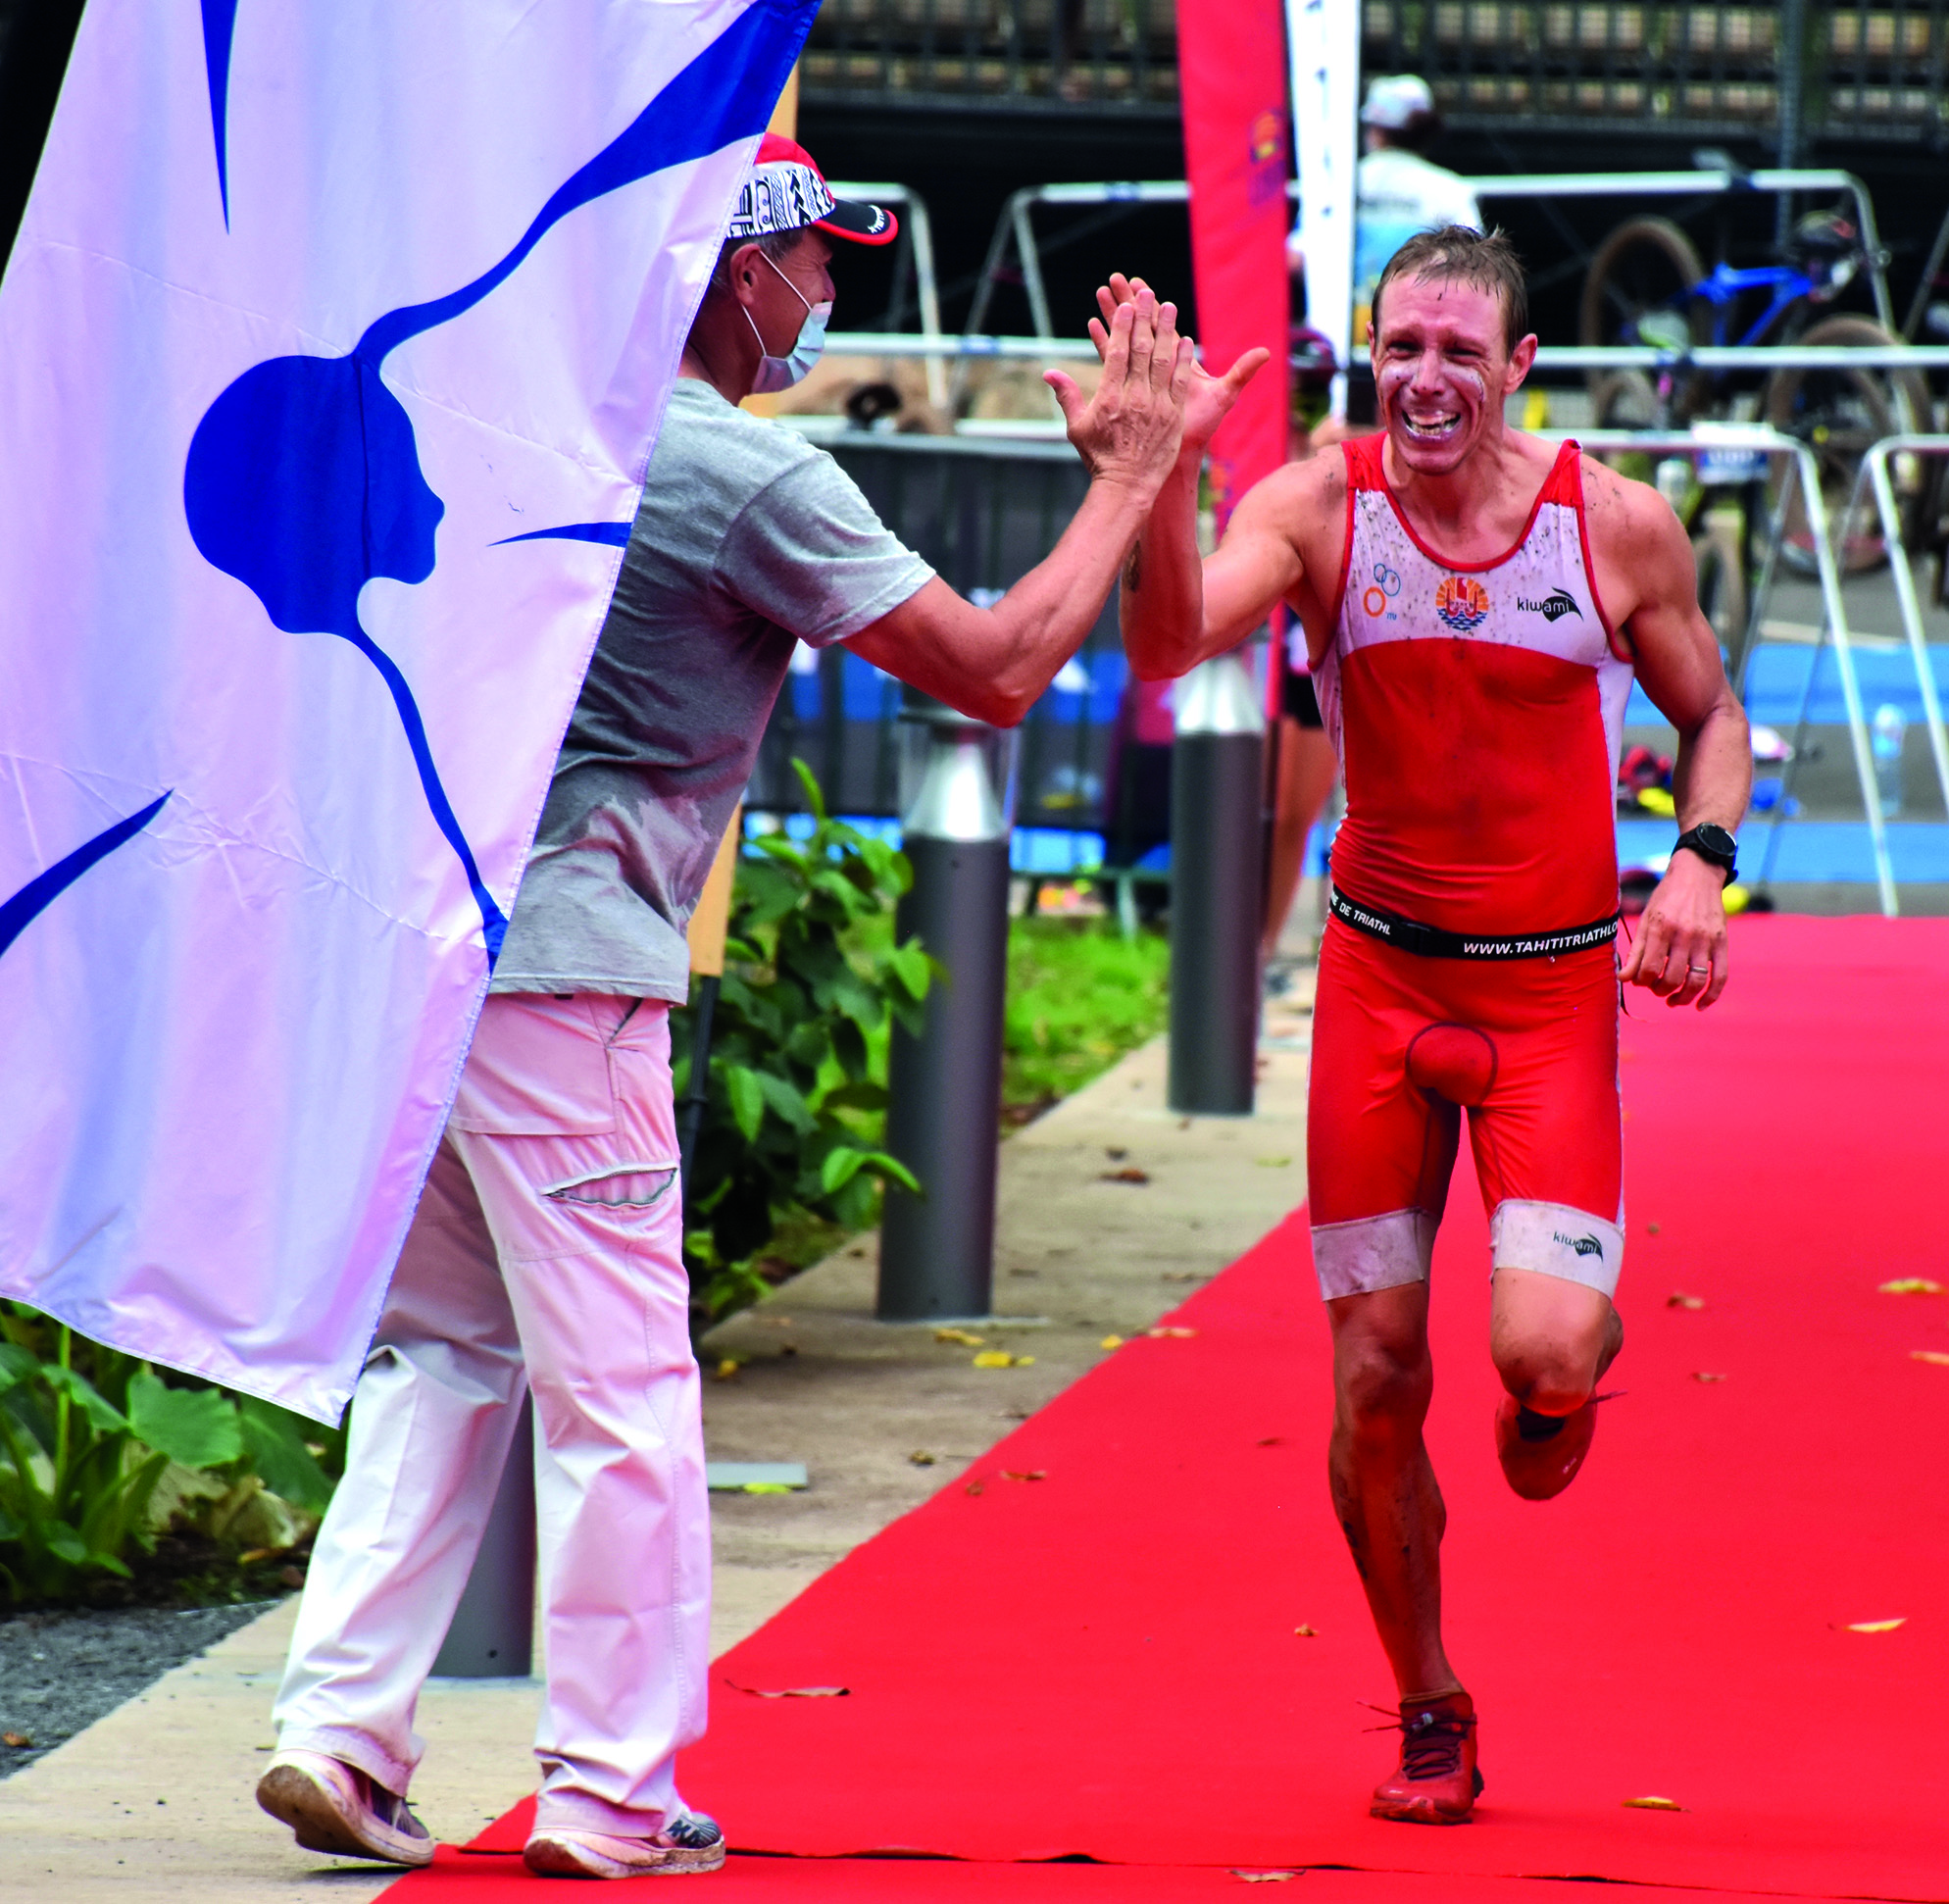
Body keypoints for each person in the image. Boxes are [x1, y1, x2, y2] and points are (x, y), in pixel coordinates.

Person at [257, 134, 1196, 1881]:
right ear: (727, 267)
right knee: (625, 1390)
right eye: (814, 260)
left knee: (447, 1353)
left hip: (425, 960)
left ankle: (339, 1728)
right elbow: (993, 672)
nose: (825, 293)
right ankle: (612, 1792)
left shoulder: (509, 415)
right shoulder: (741, 471)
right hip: (572, 976)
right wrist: (1132, 477)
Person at [1113, 225, 1749, 1827]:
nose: (1426, 379)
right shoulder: (1319, 510)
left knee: (1534, 1361)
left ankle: (1553, 1389)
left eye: (1461, 351)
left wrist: (1697, 862)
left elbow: (1711, 718)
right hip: (1378, 991)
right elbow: (1166, 642)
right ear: (1367, 355)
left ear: (1519, 367)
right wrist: (1152, 486)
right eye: (1401, 347)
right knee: (1374, 1377)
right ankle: (1426, 1701)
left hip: (1546, 1000)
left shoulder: (1611, 526)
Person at [1263, 326, 1348, 970]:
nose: (1302, 401)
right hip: (1260, 649)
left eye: (1312, 388)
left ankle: (1258, 957)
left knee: (1294, 821)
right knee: (1256, 816)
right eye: (1294, 387)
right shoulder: (1252, 448)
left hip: (1314, 656)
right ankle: (1238, 953)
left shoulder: (1340, 450)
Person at [1351, 76, 1482, 359]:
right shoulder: (1451, 189)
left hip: (1345, 327)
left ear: (1375, 129)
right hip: (1422, 333)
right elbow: (1477, 267)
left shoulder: (1341, 185)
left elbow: (1297, 258)